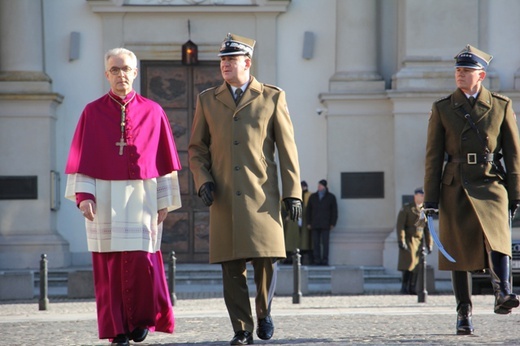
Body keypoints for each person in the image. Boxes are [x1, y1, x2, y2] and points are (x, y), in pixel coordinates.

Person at [188, 33, 302, 345]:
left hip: (261, 194)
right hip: (224, 195)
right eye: (222, 60)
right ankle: (242, 328)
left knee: (266, 258)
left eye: (231, 59)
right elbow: (197, 148)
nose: (225, 65)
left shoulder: (272, 97)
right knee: (231, 266)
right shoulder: (207, 100)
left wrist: (293, 192)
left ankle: (264, 312)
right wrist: (203, 180)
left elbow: (287, 149)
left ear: (247, 63)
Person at [64, 47, 182, 346]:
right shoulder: (92, 111)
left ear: (135, 72)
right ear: (107, 75)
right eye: (114, 70)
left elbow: (165, 160)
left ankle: (141, 320)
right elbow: (82, 157)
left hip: (142, 199)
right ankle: (117, 330)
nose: (120, 75)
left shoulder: (154, 111)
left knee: (144, 262)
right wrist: (84, 195)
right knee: (110, 267)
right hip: (104, 199)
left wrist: (165, 200)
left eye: (125, 68)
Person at [423, 44, 520, 335]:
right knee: (458, 252)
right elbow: (432, 157)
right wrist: (430, 200)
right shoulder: (442, 108)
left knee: (498, 239)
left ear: (481, 75)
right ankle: (463, 312)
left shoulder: (501, 105)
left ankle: (502, 293)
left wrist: (515, 193)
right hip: (456, 184)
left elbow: (514, 154)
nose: (460, 75)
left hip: (490, 181)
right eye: (457, 70)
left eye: (466, 71)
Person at [396, 187, 433, 295]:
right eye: (421, 195)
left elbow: (426, 228)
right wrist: (401, 240)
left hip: (419, 240)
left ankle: (412, 287)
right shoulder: (407, 208)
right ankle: (404, 286)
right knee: (408, 264)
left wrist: (429, 243)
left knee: (417, 266)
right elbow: (400, 226)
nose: (422, 197)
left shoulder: (423, 210)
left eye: (423, 195)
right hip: (409, 239)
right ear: (415, 196)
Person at [306, 179, 338, 266]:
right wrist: (308, 223)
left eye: (321, 186)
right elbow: (308, 211)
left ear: (325, 187)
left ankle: (325, 260)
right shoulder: (313, 197)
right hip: (315, 224)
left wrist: (332, 223)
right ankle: (317, 260)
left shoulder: (331, 197)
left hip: (326, 224)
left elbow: (334, 211)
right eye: (318, 185)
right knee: (316, 243)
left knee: (325, 243)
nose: (319, 187)